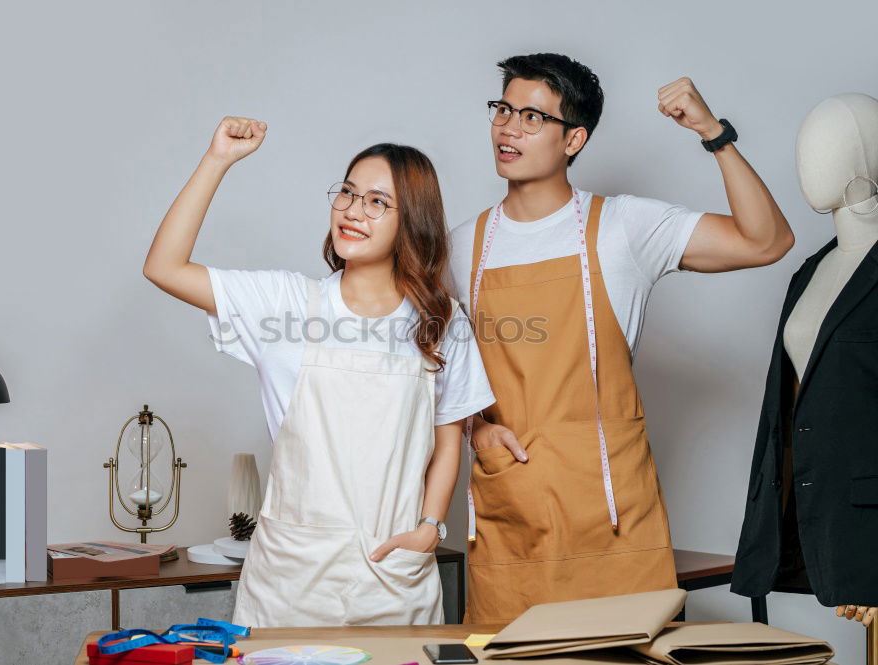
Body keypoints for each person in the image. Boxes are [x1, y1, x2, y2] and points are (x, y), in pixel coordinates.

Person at [447, 53, 794, 623]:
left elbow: (767, 241)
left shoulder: (624, 227)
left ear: (574, 138)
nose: (509, 128)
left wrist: (714, 134)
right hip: (512, 516)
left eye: (533, 117)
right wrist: (476, 428)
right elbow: (430, 367)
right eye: (503, 110)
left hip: (612, 517)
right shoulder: (462, 248)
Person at [144, 116, 495, 626]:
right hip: (291, 580)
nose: (354, 211)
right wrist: (217, 160)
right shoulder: (285, 304)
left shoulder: (441, 321)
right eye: (347, 193)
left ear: (411, 221)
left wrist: (429, 528)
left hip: (392, 578)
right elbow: (164, 267)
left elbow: (448, 441)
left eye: (377, 201)